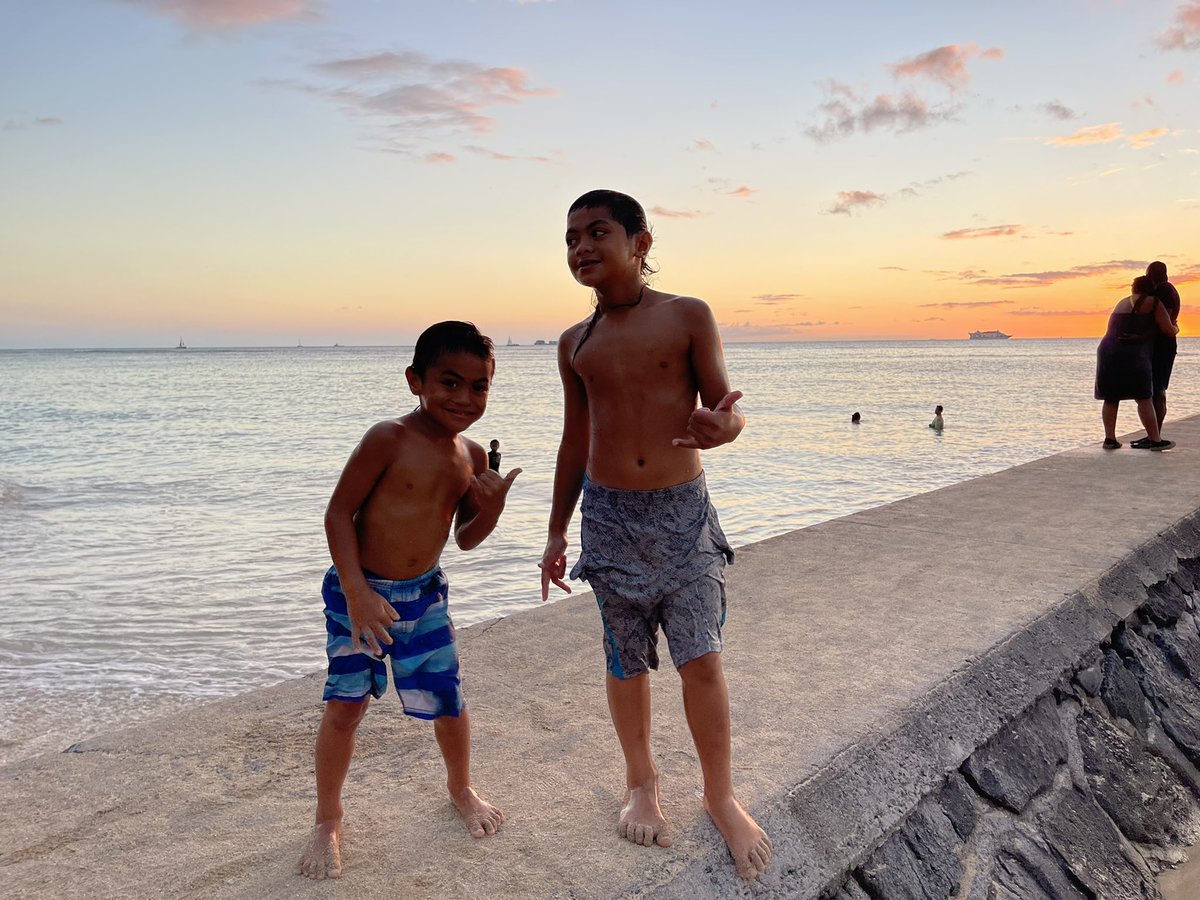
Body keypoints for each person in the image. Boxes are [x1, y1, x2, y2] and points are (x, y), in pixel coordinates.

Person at [539, 189, 773, 881]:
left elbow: (724, 408)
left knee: (700, 657)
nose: (582, 246)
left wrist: (723, 429)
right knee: (626, 658)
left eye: (598, 232)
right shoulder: (574, 343)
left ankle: (720, 796)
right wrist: (555, 533)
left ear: (640, 242)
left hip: (682, 514)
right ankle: (641, 783)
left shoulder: (686, 316)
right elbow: (573, 439)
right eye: (571, 236)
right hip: (608, 519)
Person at [297, 321, 520, 880]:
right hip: (360, 593)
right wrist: (356, 592)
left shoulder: (472, 454)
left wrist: (491, 504)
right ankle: (328, 818)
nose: (464, 398)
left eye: (479, 386)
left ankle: (461, 788)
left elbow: (466, 537)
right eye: (449, 382)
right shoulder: (388, 438)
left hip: (424, 598)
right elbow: (337, 513)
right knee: (346, 706)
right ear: (415, 381)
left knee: (448, 698)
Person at [1095, 276, 1177, 450]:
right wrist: (1176, 327)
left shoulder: (1122, 302)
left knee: (1111, 397)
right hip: (1133, 354)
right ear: (1151, 288)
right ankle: (1155, 440)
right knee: (1143, 397)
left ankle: (1110, 440)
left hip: (1107, 352)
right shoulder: (1154, 302)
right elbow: (1168, 330)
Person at [1140, 260, 1182, 443]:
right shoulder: (1168, 289)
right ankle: (1153, 434)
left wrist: (1139, 337)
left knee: (1157, 390)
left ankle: (1154, 436)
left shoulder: (1164, 291)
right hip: (1162, 345)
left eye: (1150, 275)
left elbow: (1162, 322)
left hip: (1162, 346)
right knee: (1156, 390)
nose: (1148, 279)